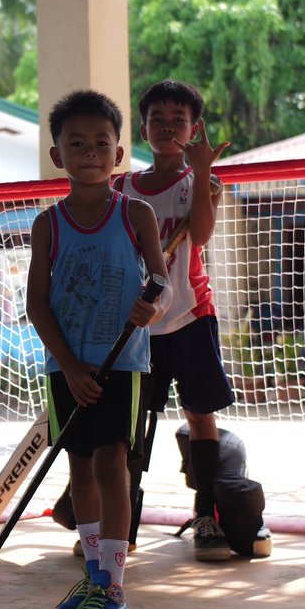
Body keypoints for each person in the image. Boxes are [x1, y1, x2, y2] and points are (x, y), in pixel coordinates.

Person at [26, 90, 171, 609]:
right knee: (80, 468)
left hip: (122, 365)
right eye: (77, 143)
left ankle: (113, 592)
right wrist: (69, 366)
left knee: (113, 464)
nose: (90, 151)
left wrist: (152, 307)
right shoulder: (48, 224)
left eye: (101, 143)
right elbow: (37, 303)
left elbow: (160, 284)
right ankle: (93, 575)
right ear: (57, 155)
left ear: (119, 153)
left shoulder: (136, 214)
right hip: (67, 368)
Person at [114, 78, 234, 561]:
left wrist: (202, 173)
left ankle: (207, 514)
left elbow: (199, 236)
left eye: (178, 120)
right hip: (139, 324)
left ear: (194, 129)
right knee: (132, 421)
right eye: (157, 119)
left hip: (189, 315)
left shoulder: (203, 183)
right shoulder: (121, 189)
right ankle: (122, 521)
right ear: (143, 130)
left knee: (200, 414)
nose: (167, 127)